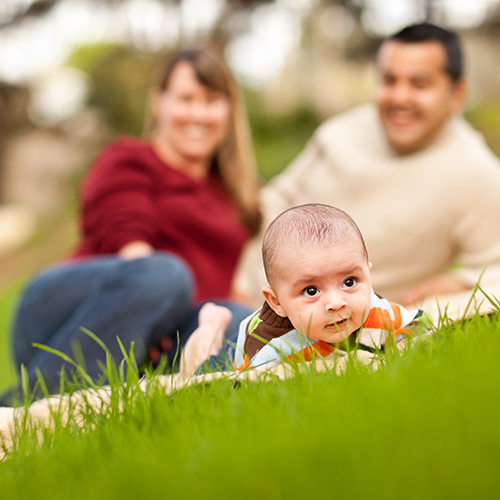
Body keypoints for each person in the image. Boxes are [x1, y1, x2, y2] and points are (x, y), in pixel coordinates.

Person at [2, 48, 261, 404]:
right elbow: (131, 247)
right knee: (165, 275)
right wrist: (164, 300)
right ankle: (20, 406)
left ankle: (160, 405)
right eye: (186, 99)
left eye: (211, 100)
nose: (198, 113)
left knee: (239, 320)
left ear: (229, 110)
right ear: (158, 103)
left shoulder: (233, 193)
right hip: (68, 318)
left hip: (156, 340)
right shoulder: (130, 159)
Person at [233, 23, 500, 320]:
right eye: (389, 80)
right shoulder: (340, 132)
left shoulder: (474, 173)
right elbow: (274, 200)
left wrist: (460, 282)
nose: (400, 97)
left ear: (457, 93)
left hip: (323, 324)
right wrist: (240, 281)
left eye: (419, 84)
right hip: (242, 290)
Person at [181, 204, 432, 376]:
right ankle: (209, 329)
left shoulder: (378, 313)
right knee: (197, 371)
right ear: (276, 301)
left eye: (349, 282)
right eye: (311, 291)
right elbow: (246, 392)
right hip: (239, 351)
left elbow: (420, 331)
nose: (336, 303)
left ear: (368, 273)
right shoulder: (269, 349)